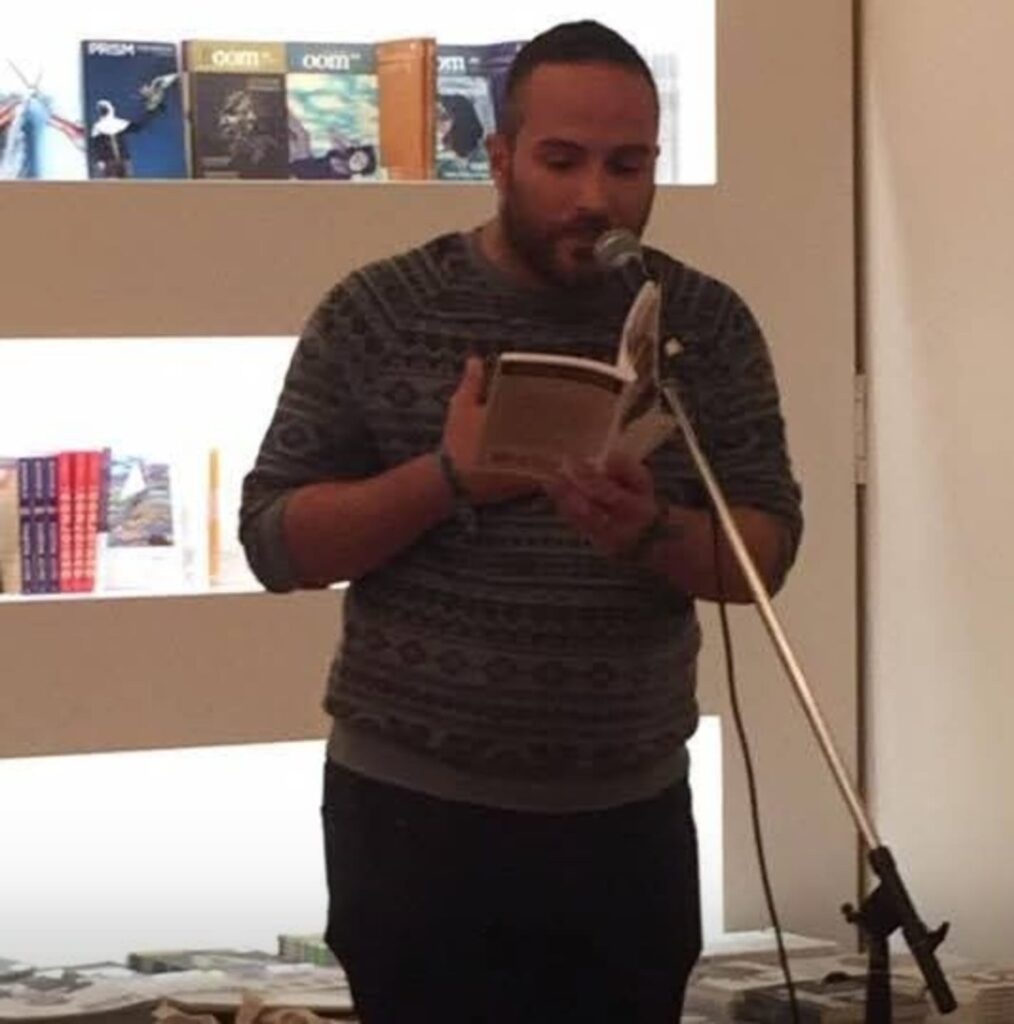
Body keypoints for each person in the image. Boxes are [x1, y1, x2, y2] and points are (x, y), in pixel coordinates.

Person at [240, 19, 802, 1024]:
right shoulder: (380, 308)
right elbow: (275, 540)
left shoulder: (704, 325)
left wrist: (648, 531)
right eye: (561, 160)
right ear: (498, 158)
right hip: (414, 816)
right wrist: (449, 477)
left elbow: (766, 553)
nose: (595, 196)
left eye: (627, 164)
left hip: (627, 818)